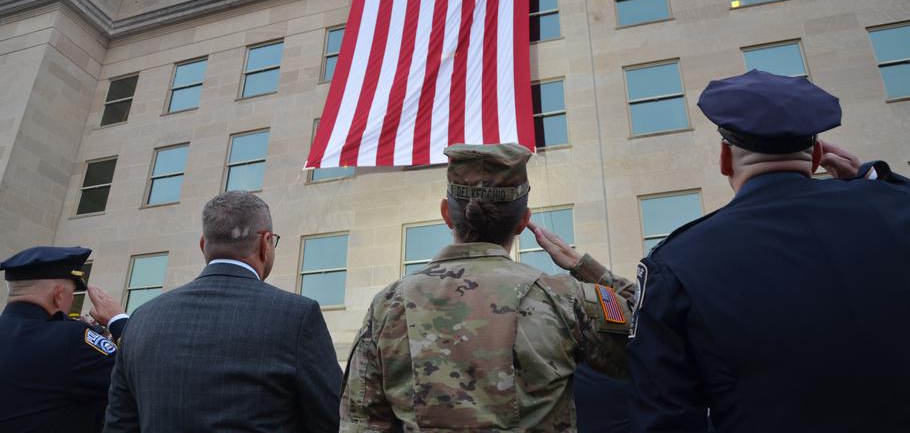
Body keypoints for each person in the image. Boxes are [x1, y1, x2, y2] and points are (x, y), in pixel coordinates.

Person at [628, 70, 910, 432]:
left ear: (725, 159)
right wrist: (875, 182)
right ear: (817, 155)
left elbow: (663, 419)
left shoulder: (673, 263)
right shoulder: (895, 210)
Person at [340, 143, 636, 431]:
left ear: (446, 213)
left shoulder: (388, 305)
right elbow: (656, 326)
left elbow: (362, 422)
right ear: (523, 221)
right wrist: (582, 265)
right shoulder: (564, 297)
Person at [103, 191, 342, 433]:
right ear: (265, 243)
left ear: (203, 244)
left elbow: (119, 425)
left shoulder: (141, 318)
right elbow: (336, 420)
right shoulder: (298, 316)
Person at [0, 246, 129, 432]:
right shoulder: (72, 339)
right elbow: (142, 375)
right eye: (72, 294)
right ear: (59, 295)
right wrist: (119, 322)